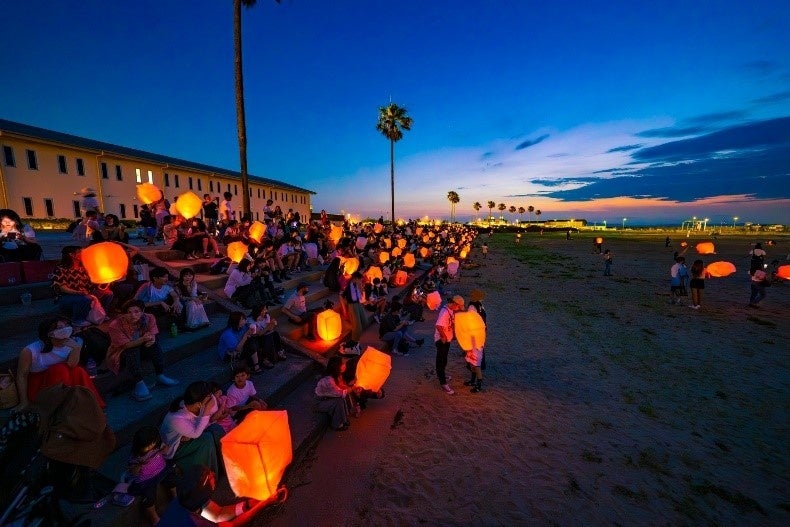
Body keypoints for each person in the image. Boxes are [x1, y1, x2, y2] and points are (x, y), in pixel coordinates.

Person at [12, 316, 105, 412]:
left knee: (79, 370)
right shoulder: (31, 350)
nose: (65, 329)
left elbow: (72, 365)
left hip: (63, 383)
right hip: (40, 387)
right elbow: (21, 376)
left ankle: (93, 405)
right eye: (60, 328)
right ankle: (64, 407)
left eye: (66, 325)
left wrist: (76, 348)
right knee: (60, 369)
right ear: (50, 334)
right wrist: (24, 402)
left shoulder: (74, 342)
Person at [106, 299, 180, 402]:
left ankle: (160, 375)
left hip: (142, 349)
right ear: (123, 314)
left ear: (142, 311)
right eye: (129, 312)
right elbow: (126, 345)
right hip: (121, 353)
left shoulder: (149, 318)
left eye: (136, 311)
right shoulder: (115, 325)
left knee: (153, 344)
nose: (133, 315)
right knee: (132, 349)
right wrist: (143, 339)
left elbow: (153, 333)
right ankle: (139, 382)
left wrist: (152, 338)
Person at [160, 381, 225, 476]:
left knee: (216, 429)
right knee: (206, 439)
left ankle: (225, 462)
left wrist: (210, 417)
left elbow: (208, 417)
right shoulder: (176, 419)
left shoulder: (194, 404)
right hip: (175, 448)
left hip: (187, 437)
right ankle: (212, 474)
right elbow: (196, 434)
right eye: (209, 398)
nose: (212, 399)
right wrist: (206, 411)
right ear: (199, 404)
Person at [125, 425, 179, 525]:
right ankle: (154, 517)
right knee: (149, 495)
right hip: (146, 479)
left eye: (153, 443)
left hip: (161, 470)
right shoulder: (135, 457)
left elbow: (166, 449)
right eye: (148, 445)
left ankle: (175, 498)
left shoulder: (157, 445)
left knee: (172, 478)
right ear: (140, 445)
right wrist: (140, 465)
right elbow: (133, 472)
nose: (151, 446)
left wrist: (164, 449)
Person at [52, 245, 114, 327]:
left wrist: (105, 281)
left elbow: (93, 282)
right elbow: (62, 288)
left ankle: (101, 314)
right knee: (85, 298)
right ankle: (77, 319)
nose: (84, 254)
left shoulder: (84, 267)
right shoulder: (60, 269)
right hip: (67, 297)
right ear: (72, 255)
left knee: (108, 293)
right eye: (80, 252)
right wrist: (77, 292)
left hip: (86, 293)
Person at [314, 356, 358, 431]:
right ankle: (337, 424)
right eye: (342, 364)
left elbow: (343, 387)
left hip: (328, 398)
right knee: (339, 401)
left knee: (342, 398)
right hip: (319, 403)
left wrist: (353, 384)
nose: (345, 365)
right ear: (336, 366)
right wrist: (352, 388)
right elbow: (340, 393)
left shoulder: (338, 376)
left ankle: (344, 419)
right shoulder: (328, 381)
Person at [435, 295, 465, 395]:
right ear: (455, 304)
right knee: (441, 360)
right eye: (458, 307)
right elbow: (438, 325)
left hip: (447, 339)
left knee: (444, 360)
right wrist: (443, 337)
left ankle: (442, 375)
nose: (458, 309)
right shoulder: (444, 312)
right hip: (441, 340)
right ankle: (443, 383)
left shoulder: (450, 310)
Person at [464, 290, 487, 393]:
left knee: (475, 362)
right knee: (473, 361)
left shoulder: (472, 307)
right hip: (479, 336)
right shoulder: (480, 306)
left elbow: (469, 321)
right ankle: (473, 381)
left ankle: (478, 384)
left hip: (474, 337)